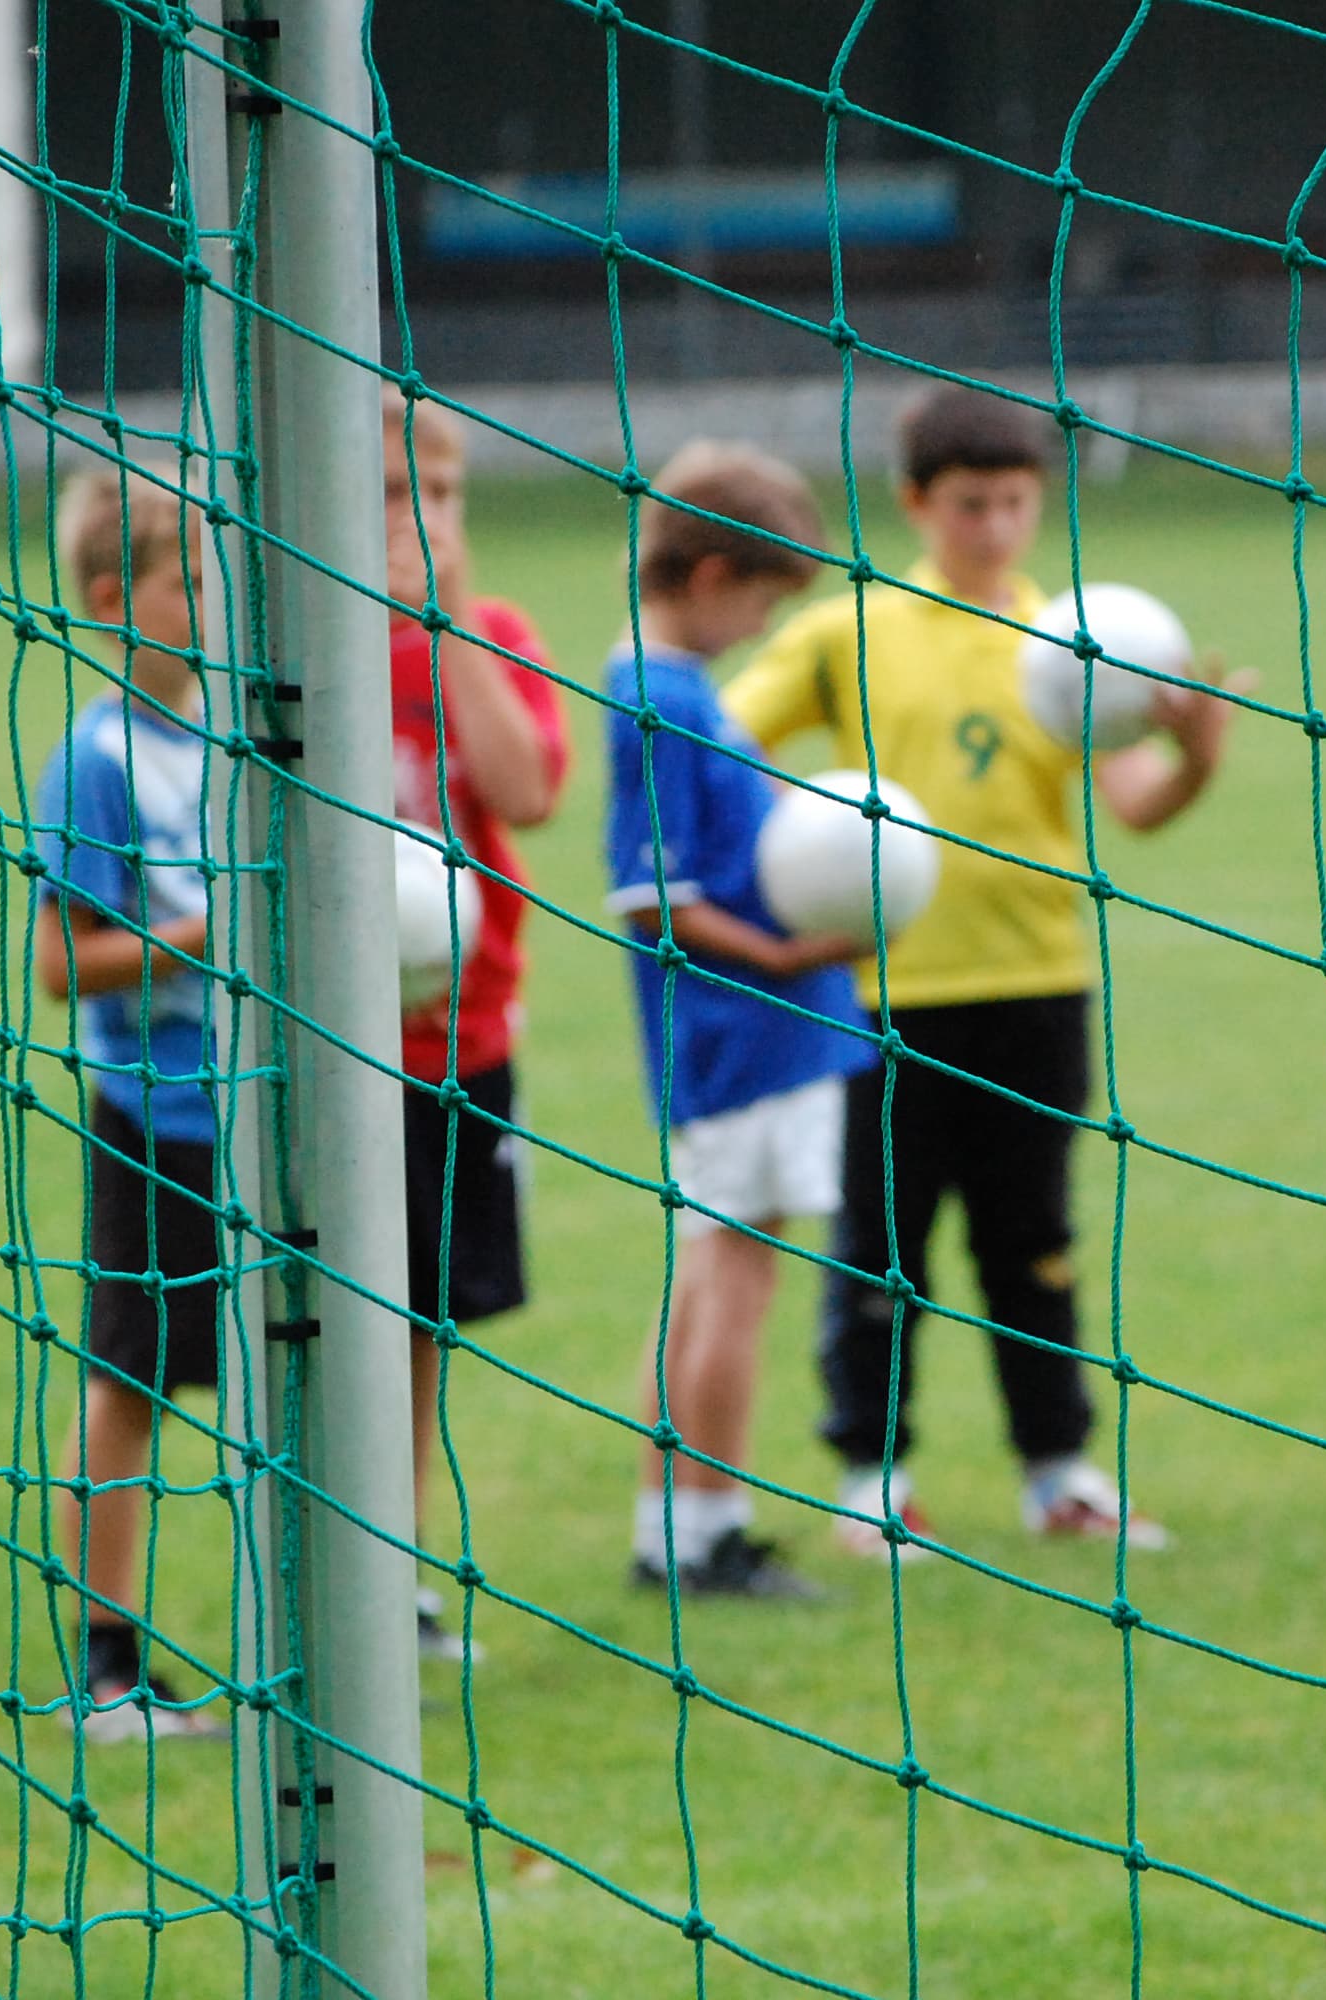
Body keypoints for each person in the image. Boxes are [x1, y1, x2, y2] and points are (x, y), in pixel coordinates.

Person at [723, 385, 1238, 1558]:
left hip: (1038, 984)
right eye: (969, 505)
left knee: (1034, 1244)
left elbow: (1137, 807)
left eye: (1013, 503)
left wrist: (1196, 757)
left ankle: (1057, 1471)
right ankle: (871, 1477)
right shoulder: (847, 631)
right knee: (878, 1247)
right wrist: (802, 851)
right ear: (914, 503)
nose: (995, 527)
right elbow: (719, 743)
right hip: (878, 998)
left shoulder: (1078, 642)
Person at [602, 441, 872, 1600]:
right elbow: (654, 893)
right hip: (739, 1034)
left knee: (711, 1268)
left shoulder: (677, 686)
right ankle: (706, 1528)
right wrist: (788, 950)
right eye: (763, 600)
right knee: (733, 1274)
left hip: (761, 1031)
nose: (760, 625)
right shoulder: (653, 695)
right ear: (710, 574)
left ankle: (675, 1523)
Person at [29, 460, 230, 1743]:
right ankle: (105, 1665)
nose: (216, 605)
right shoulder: (97, 758)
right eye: (191, 581)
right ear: (115, 597)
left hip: (272, 1108)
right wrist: (212, 936)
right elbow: (62, 963)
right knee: (130, 1380)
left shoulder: (245, 728)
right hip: (156, 1117)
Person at [383, 390, 572, 1655]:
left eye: (443, 498)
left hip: (461, 1046)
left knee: (417, 1327)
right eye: (396, 500)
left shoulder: (488, 632)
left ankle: (387, 1573)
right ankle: (300, 1566)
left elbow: (526, 789)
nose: (427, 523)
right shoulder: (281, 636)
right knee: (304, 1316)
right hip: (312, 1054)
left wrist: (442, 621)